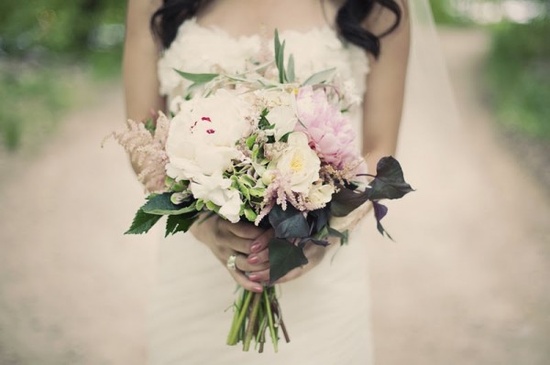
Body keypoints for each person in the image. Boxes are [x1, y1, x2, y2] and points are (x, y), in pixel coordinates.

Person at [124, 0, 409, 363]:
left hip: (322, 280)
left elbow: (380, 147)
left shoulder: (379, 7)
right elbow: (142, 140)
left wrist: (324, 232)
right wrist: (203, 225)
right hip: (196, 273)